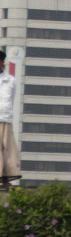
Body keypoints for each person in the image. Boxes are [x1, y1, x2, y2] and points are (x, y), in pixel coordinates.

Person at [0, 50, 21, 190]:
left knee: (7, 150)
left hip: (4, 117)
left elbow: (11, 99)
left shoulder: (10, 80)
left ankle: (5, 179)